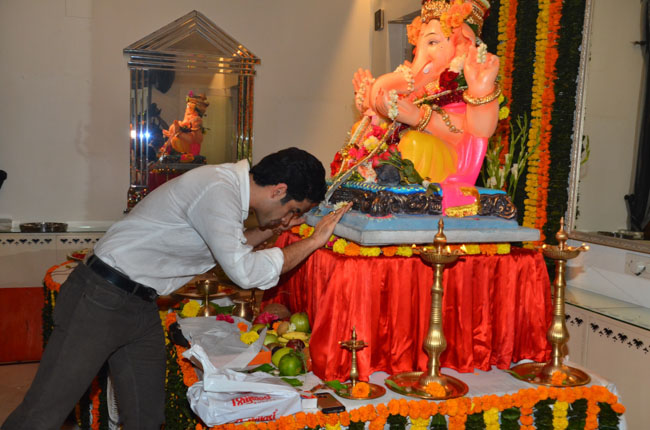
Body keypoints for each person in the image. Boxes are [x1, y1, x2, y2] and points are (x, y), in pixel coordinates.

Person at [2, 147, 349, 430]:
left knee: (146, 417)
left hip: (140, 305)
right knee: (43, 412)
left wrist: (270, 230)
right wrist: (313, 242)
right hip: (101, 297)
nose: (288, 220)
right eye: (293, 211)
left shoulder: (227, 189)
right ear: (279, 190)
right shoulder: (219, 189)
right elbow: (244, 272)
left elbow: (224, 247)